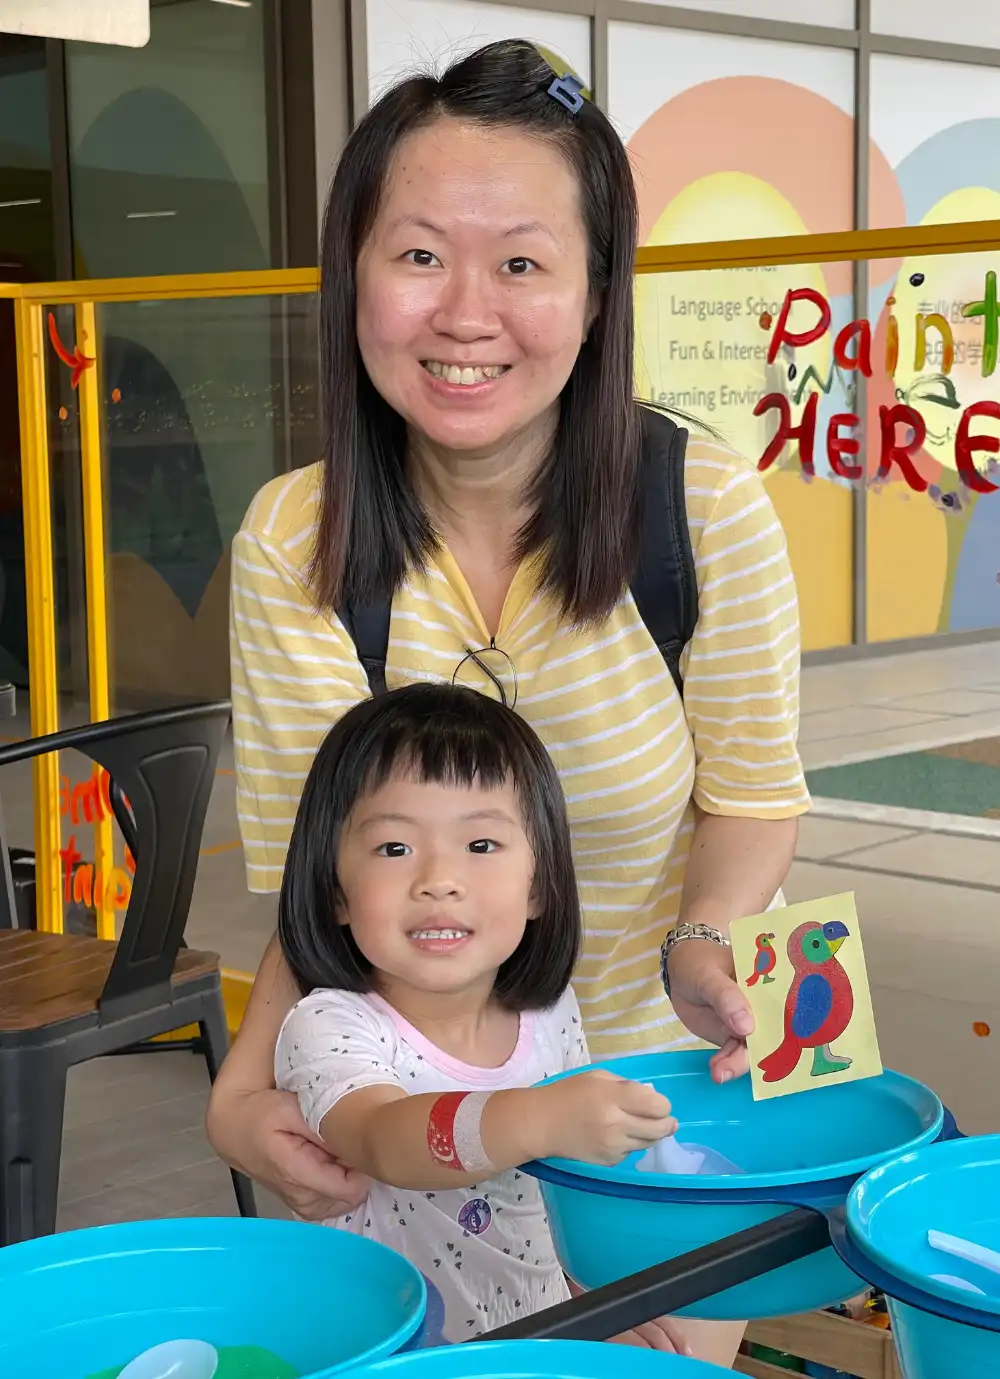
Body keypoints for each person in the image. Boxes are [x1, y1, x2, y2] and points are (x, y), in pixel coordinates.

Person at [209, 38, 810, 1366]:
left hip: (654, 1116)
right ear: (353, 278)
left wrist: (706, 940)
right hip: (420, 1126)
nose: (465, 312)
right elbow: (331, 873)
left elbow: (753, 799)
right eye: (419, 253)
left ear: (597, 295)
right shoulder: (293, 539)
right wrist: (247, 1087)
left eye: (524, 262)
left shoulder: (704, 509)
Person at [274, 681, 681, 1343]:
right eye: (394, 848)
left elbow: (560, 1203)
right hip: (395, 1354)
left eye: (482, 846)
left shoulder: (550, 1013)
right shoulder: (331, 1025)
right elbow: (381, 1137)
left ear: (541, 885)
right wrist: (539, 1115)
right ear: (334, 892)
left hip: (537, 1338)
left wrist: (597, 1305)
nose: (439, 877)